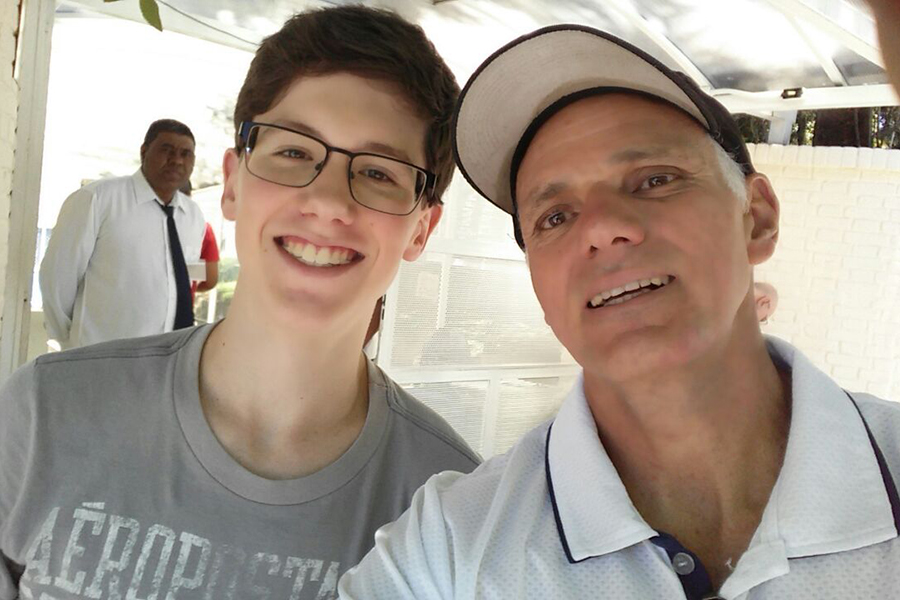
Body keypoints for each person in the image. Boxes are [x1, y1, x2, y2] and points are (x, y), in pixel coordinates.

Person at [340, 15, 900, 600]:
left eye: (655, 180)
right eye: (555, 216)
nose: (602, 228)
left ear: (756, 218)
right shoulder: (447, 549)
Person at [1, 6, 478, 600]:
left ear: (421, 230)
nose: (328, 201)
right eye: (294, 152)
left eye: (379, 173)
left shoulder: (453, 508)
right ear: (232, 183)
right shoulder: (43, 416)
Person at [39, 119, 206, 349]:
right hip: (101, 356)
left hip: (169, 356)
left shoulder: (193, 216)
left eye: (185, 154)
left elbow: (184, 280)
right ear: (144, 151)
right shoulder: (98, 199)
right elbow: (58, 278)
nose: (177, 160)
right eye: (166, 150)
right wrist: (69, 343)